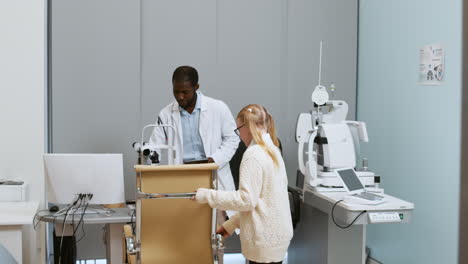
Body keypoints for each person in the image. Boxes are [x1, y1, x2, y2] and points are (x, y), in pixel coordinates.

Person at [149, 65, 239, 264]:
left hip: (211, 176)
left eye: (185, 92)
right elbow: (155, 146)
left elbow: (233, 139)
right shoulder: (165, 114)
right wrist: (149, 155)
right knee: (183, 237)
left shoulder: (218, 108)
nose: (180, 97)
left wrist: (214, 159)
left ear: (196, 87)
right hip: (181, 178)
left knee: (215, 240)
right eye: (176, 91)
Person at [193, 104, 293, 264]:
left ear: (247, 127)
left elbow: (247, 200)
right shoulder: (273, 150)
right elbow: (264, 201)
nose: (239, 135)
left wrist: (207, 195)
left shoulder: (253, 155)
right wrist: (231, 225)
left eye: (238, 129)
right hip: (277, 238)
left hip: (263, 240)